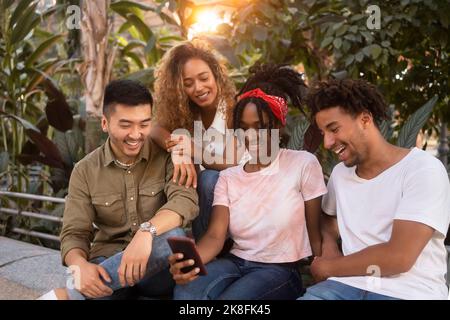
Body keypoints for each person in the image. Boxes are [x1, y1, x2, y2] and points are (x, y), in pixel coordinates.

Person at [168, 64, 327, 300]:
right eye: (243, 128)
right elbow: (214, 235)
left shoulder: (303, 164)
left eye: (260, 127)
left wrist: (322, 275)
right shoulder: (229, 177)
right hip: (236, 262)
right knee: (186, 293)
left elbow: (316, 233)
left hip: (280, 270)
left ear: (278, 125)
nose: (250, 137)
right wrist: (192, 262)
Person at [38, 79, 199, 300]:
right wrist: (80, 266)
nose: (136, 134)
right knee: (96, 278)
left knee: (172, 237)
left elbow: (185, 201)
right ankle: (93, 288)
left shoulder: (168, 157)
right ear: (105, 123)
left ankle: (69, 295)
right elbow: (75, 234)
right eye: (126, 125)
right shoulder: (85, 170)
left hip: (157, 271)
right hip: (107, 265)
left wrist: (146, 232)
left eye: (144, 124)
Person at [299, 79, 450, 300]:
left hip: (411, 292)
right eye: (323, 133)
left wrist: (330, 267)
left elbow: (399, 257)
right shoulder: (341, 175)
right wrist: (329, 249)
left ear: (365, 119)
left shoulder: (422, 170)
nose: (328, 143)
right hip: (345, 287)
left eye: (333, 129)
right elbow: (327, 220)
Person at [151, 39, 245, 240]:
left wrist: (192, 149)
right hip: (209, 210)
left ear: (216, 75)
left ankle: (206, 248)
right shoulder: (188, 114)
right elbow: (154, 129)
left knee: (209, 177)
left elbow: (232, 163)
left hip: (243, 202)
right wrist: (177, 149)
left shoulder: (235, 109)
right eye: (188, 84)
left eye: (204, 78)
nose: (198, 88)